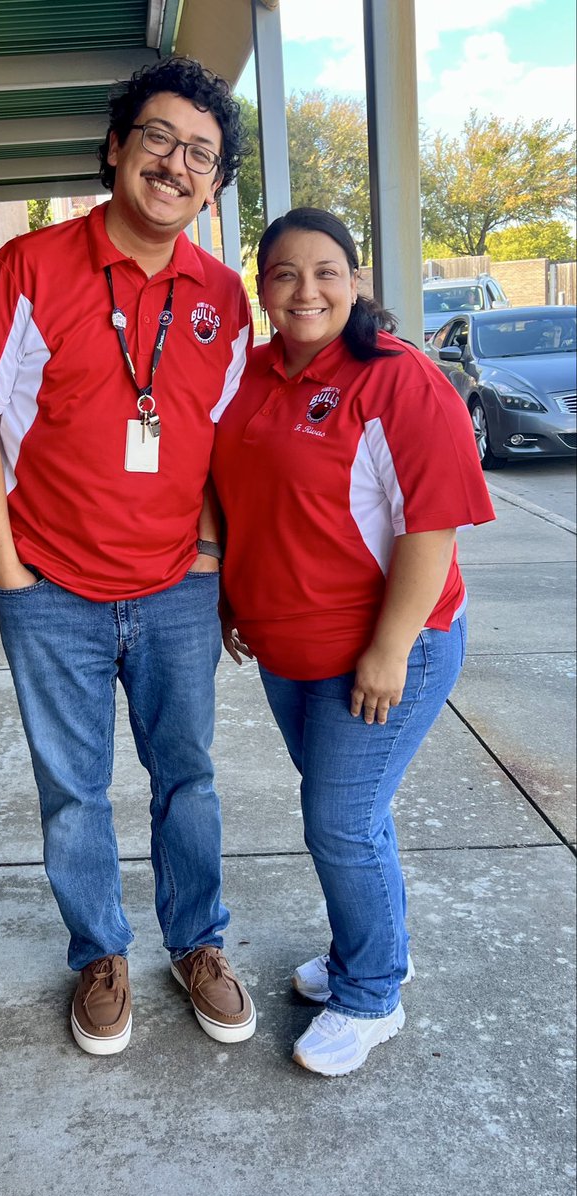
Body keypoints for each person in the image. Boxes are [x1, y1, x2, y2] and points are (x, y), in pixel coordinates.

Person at [0, 57, 256, 1056]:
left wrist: (211, 553)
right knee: (72, 790)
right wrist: (7, 574)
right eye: (157, 138)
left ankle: (196, 943)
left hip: (175, 588)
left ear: (213, 185)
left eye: (199, 154)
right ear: (115, 147)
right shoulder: (26, 269)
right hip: (52, 590)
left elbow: (221, 437)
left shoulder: (222, 297)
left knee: (187, 778)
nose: (175, 164)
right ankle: (100, 954)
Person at [211, 208, 495, 1077]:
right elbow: (237, 494)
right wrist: (231, 594)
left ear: (355, 281)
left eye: (325, 271)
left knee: (338, 822)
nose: (306, 291)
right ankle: (367, 952)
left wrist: (388, 649)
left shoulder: (397, 378)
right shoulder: (250, 373)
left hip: (382, 652)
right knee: (353, 819)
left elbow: (431, 525)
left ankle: (371, 994)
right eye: (284, 274)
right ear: (262, 289)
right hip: (286, 650)